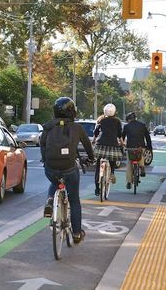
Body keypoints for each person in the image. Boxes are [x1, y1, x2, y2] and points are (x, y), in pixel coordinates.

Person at [41, 97, 95, 244]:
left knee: (55, 181)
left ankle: (50, 201)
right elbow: (88, 146)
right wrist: (91, 158)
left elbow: (43, 145)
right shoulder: (77, 128)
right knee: (74, 200)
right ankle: (77, 233)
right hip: (69, 168)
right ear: (73, 112)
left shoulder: (47, 127)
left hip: (51, 168)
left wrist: (45, 161)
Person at [93, 103, 123, 196]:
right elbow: (119, 134)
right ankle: (112, 173)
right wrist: (122, 143)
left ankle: (97, 189)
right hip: (112, 145)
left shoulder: (101, 120)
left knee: (98, 166)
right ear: (114, 112)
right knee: (112, 160)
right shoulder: (117, 122)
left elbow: (96, 132)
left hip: (100, 145)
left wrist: (94, 141)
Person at [122, 112, 152, 189]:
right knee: (140, 154)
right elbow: (147, 137)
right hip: (140, 147)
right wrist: (149, 147)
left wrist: (122, 146)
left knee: (129, 163)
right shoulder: (142, 125)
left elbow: (122, 137)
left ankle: (129, 182)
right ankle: (142, 166)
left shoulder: (126, 126)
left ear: (128, 119)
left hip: (130, 147)